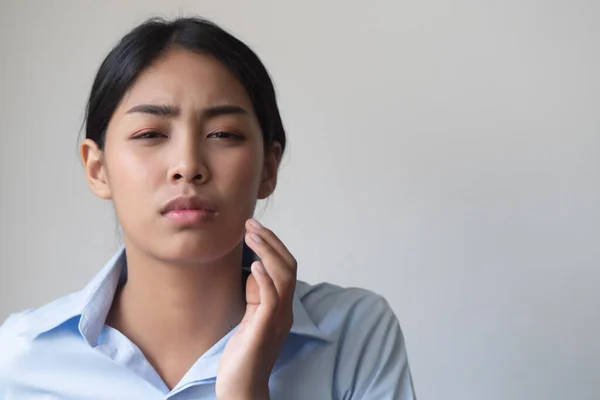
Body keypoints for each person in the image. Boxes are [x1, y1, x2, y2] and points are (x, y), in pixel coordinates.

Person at [0, 17, 416, 399]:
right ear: (97, 168)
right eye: (149, 133)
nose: (188, 166)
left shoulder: (353, 335)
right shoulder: (20, 357)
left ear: (269, 166)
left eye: (222, 134)